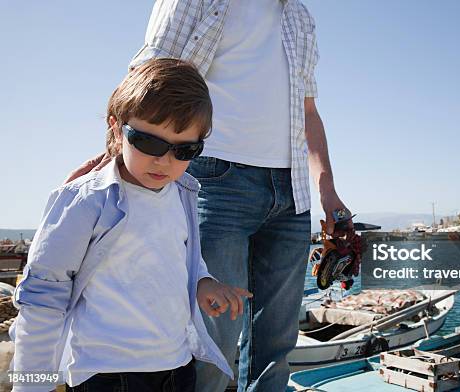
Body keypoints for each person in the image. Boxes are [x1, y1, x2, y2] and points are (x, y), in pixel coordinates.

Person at [66, 1, 353, 391]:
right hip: (212, 179)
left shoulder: (299, 15)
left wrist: (328, 192)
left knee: (277, 348)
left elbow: (309, 111)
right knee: (210, 339)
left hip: (292, 193)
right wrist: (113, 158)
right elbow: (147, 76)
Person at [10, 58, 251, 392]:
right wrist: (30, 385)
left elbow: (182, 260)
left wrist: (203, 281)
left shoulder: (183, 194)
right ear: (116, 127)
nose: (164, 160)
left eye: (185, 150)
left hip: (178, 367)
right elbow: (42, 296)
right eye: (149, 142)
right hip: (108, 375)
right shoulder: (85, 201)